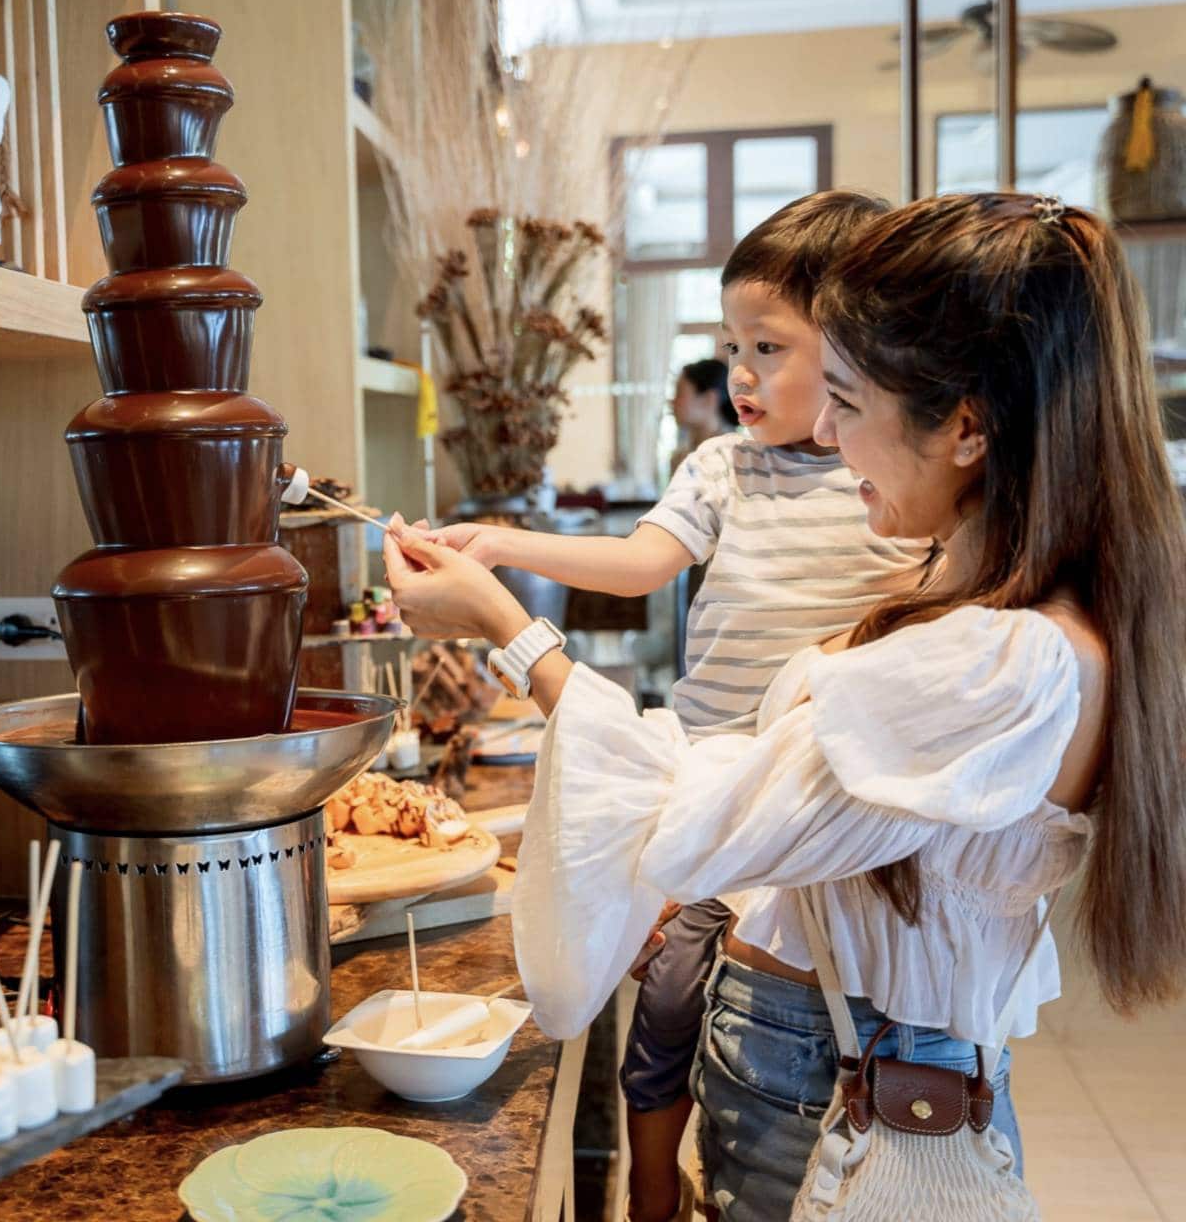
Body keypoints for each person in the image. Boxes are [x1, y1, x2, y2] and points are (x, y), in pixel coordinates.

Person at [383, 192, 1186, 1221]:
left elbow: (686, 814)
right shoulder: (978, 599)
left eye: (846, 405)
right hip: (812, 1054)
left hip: (832, 1079)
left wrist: (505, 624)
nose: (831, 448)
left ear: (967, 426)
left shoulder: (1008, 661)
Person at [429, 190, 930, 1222]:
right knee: (660, 995)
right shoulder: (722, 465)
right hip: (695, 776)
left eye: (767, 347)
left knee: (783, 1000)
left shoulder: (891, 478)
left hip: (801, 790)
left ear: (855, 345)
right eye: (728, 347)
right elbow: (633, 560)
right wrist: (501, 543)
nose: (739, 376)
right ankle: (653, 1187)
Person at [670, 358, 738, 473]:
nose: (672, 402)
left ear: (709, 399)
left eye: (679, 393)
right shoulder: (680, 456)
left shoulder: (733, 454)